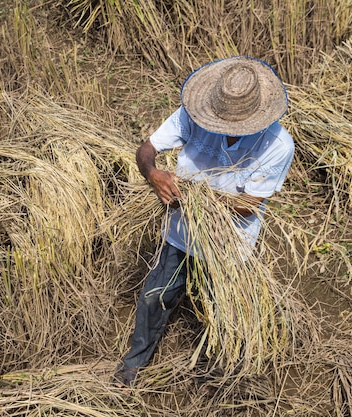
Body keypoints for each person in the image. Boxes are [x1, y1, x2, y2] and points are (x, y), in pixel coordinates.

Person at [114, 56, 295, 386]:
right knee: (156, 295)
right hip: (180, 230)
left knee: (222, 309)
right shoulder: (192, 114)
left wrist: (196, 196)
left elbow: (248, 205)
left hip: (229, 243)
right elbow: (147, 149)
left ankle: (216, 373)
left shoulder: (278, 145)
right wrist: (152, 173)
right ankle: (135, 362)